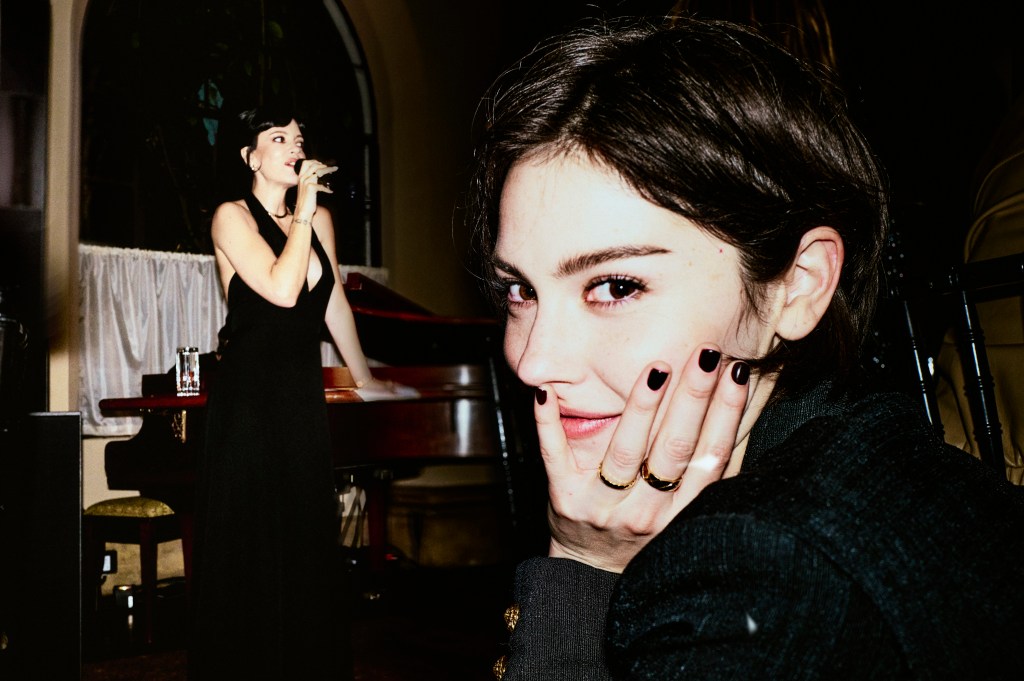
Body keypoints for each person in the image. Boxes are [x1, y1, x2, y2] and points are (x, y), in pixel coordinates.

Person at [467, 17, 1024, 680]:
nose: (533, 361)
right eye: (519, 291)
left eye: (616, 286)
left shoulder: (757, 564)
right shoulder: (867, 447)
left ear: (798, 284)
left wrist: (583, 565)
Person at [189, 106, 378, 679]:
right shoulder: (231, 216)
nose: (295, 146)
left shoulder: (318, 220)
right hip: (248, 401)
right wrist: (303, 212)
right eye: (278, 138)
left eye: (298, 138)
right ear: (249, 157)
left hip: (299, 399)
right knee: (251, 542)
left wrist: (365, 378)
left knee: (304, 537)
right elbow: (283, 288)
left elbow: (333, 303)